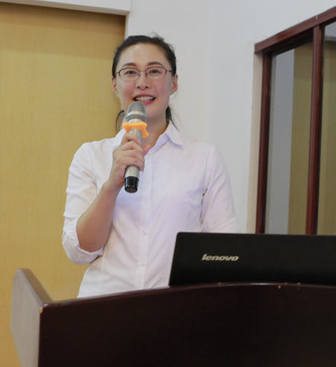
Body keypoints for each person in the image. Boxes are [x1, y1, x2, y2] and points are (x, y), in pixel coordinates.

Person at [62, 34, 238, 297]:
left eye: (154, 71)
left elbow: (225, 251)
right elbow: (79, 252)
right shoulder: (91, 155)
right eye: (130, 72)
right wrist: (111, 186)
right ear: (114, 84)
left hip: (174, 311)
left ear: (173, 82)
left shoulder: (205, 158)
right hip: (103, 309)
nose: (142, 82)